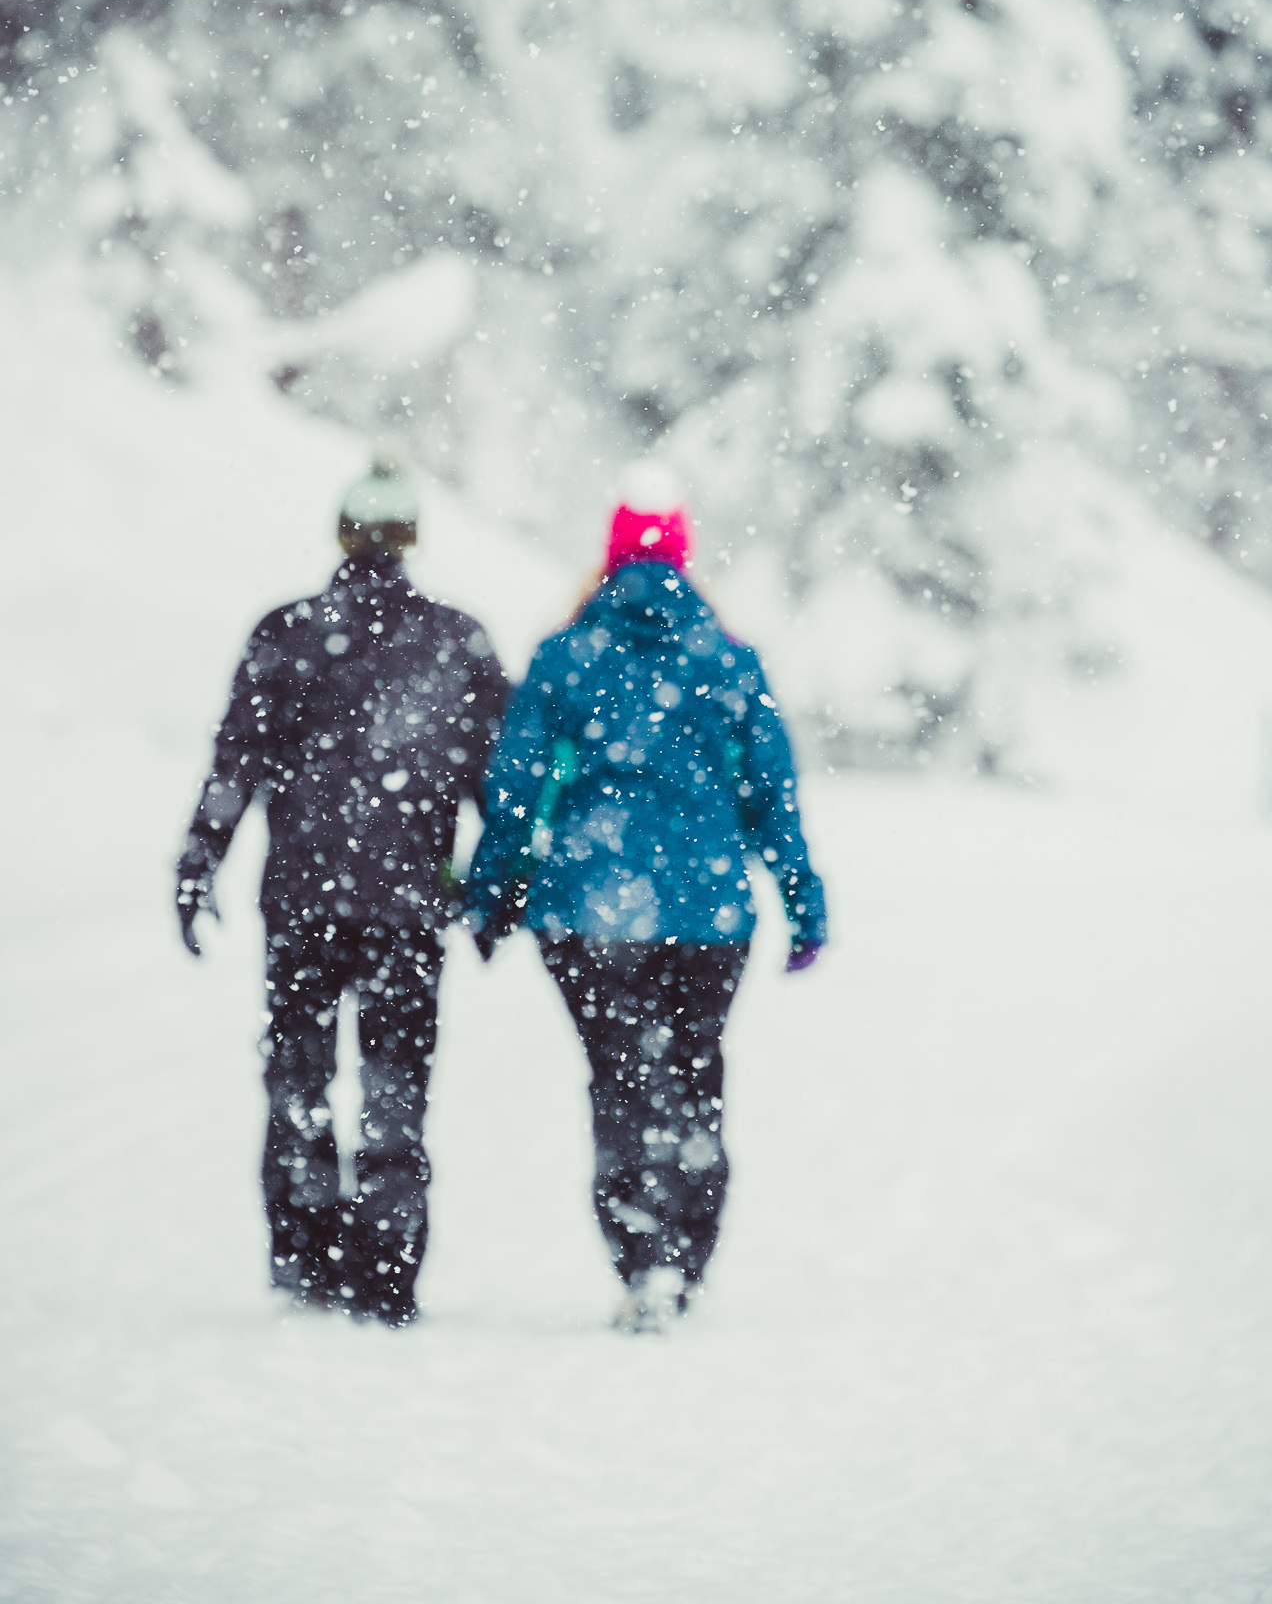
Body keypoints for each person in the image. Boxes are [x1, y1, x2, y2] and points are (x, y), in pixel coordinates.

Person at [464, 471, 826, 1332]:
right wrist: (803, 902)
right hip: (708, 916)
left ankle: (639, 1259)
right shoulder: (728, 660)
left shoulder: (564, 657)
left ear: (612, 553)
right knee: (694, 1077)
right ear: (684, 556)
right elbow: (772, 793)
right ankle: (685, 1257)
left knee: (620, 1080)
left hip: (588, 910)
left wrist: (490, 896)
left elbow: (512, 792)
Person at [176, 453, 507, 1326]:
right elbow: (496, 787)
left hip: (301, 901)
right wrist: (495, 887)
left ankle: (308, 1257)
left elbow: (234, 765)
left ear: (341, 534)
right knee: (396, 1086)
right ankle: (388, 1270)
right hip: (406, 907)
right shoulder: (455, 640)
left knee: (299, 1081)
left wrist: (198, 860)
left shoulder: (284, 633)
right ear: (411, 540)